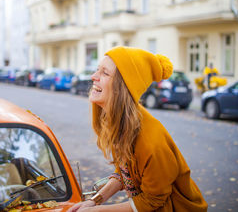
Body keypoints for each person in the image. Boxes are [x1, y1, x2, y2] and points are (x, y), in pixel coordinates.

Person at [68, 46, 207, 212]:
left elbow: (152, 201)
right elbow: (125, 171)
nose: (93, 77)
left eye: (105, 73)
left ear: (123, 88)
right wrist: (95, 201)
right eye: (97, 70)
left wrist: (97, 211)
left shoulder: (152, 143)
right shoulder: (120, 121)